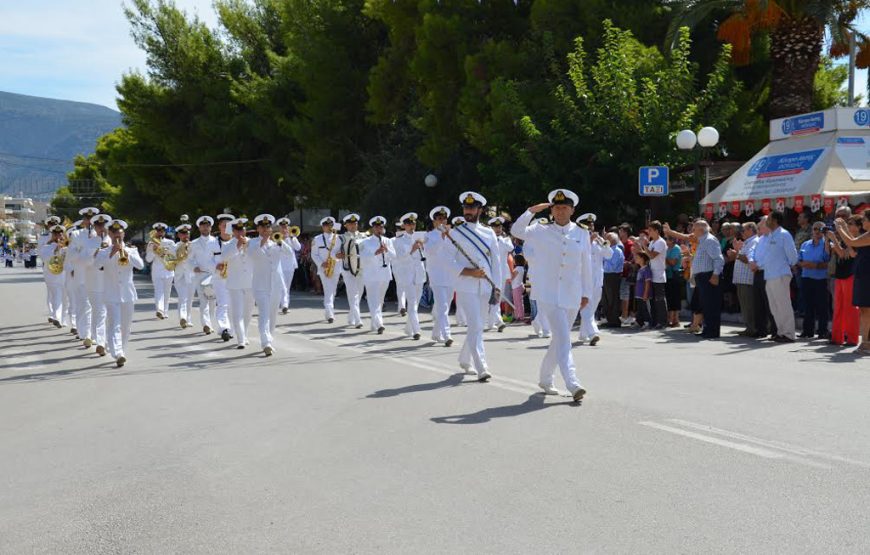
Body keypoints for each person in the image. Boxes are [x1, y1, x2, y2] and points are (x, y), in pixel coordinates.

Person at [511, 189, 591, 402]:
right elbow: (517, 230)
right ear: (551, 210)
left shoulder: (581, 233)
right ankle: (573, 383)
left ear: (572, 210)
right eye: (556, 207)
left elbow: (587, 265)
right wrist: (530, 212)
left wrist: (587, 292)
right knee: (564, 338)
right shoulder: (540, 229)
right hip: (548, 293)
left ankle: (545, 379)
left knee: (559, 340)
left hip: (572, 293)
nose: (560, 211)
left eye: (565, 207)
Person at [447, 191, 504, 382]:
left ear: (480, 210)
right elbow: (447, 262)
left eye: (472, 208)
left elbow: (496, 263)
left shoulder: (489, 233)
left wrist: (497, 286)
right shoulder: (455, 233)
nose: (468, 211)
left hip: (486, 286)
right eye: (465, 207)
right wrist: (469, 272)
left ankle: (464, 358)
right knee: (476, 324)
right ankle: (482, 367)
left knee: (476, 327)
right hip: (465, 286)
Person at [96, 219, 144, 368]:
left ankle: (121, 350)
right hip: (111, 293)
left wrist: (127, 252)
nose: (117, 234)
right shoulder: (103, 252)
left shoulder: (132, 250)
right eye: (114, 232)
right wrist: (112, 252)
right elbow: (97, 265)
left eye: (119, 232)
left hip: (128, 294)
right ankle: (117, 353)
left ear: (123, 233)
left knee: (126, 325)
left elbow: (141, 266)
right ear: (109, 234)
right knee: (115, 324)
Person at [248, 214, 291, 356]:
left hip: (276, 285)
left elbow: (290, 254)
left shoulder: (276, 243)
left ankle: (269, 339)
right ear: (258, 228)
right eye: (263, 227)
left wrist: (282, 240)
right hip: (260, 285)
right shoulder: (253, 243)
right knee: (264, 314)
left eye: (268, 227)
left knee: (273, 315)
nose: (266, 229)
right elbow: (252, 255)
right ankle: (265, 341)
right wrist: (264, 240)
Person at [754, 210, 798, 342]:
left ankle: (789, 334)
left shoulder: (784, 234)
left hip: (780, 274)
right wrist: (758, 265)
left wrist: (790, 263)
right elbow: (767, 256)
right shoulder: (771, 235)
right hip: (769, 274)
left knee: (783, 304)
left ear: (774, 221)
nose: (766, 222)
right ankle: (780, 332)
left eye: (769, 219)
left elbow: (792, 256)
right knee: (774, 306)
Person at [834, 211, 870, 355]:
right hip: (863, 274)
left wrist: (841, 228)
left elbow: (851, 242)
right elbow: (852, 244)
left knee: (866, 309)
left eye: (865, 220)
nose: (863, 222)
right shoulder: (866, 234)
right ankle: (866, 342)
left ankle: (867, 343)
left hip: (867, 276)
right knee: (863, 309)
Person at [424, 206, 457, 346]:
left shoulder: (453, 234)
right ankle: (447, 334)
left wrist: (448, 236)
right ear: (434, 222)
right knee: (443, 306)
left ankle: (436, 333)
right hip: (436, 275)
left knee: (444, 305)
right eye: (439, 219)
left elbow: (456, 252)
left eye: (444, 218)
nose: (442, 221)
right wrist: (442, 239)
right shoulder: (429, 236)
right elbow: (429, 252)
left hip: (450, 274)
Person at [577, 213, 611, 345]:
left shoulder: (598, 243)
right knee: (585, 307)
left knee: (591, 308)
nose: (591, 228)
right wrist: (589, 241)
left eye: (592, 226)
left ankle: (583, 334)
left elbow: (609, 255)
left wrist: (603, 243)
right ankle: (593, 333)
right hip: (584, 280)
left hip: (598, 280)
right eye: (588, 226)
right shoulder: (578, 240)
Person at [392, 212, 427, 339]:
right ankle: (416, 330)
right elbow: (400, 258)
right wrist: (412, 249)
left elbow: (428, 256)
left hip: (419, 273)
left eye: (413, 223)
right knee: (412, 303)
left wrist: (423, 247)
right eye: (408, 224)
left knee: (416, 303)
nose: (411, 226)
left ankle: (408, 328)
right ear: (403, 226)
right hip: (407, 274)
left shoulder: (422, 238)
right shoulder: (399, 240)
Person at [826, 218, 861, 346]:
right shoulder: (846, 239)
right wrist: (833, 238)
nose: (848, 226)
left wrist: (842, 232)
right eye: (848, 224)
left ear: (858, 227)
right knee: (838, 308)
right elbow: (841, 254)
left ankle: (852, 338)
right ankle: (837, 337)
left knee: (850, 309)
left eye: (851, 224)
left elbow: (851, 254)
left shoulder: (859, 240)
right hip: (840, 276)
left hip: (851, 276)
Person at [359, 216, 396, 334]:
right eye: (377, 227)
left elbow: (394, 256)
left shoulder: (388, 241)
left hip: (384, 274)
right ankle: (379, 323)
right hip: (371, 275)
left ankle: (374, 323)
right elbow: (363, 258)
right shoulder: (365, 242)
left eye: (381, 226)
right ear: (373, 228)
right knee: (373, 299)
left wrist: (387, 250)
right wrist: (375, 253)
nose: (379, 228)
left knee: (379, 300)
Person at [221, 218, 254, 349]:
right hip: (235, 284)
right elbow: (224, 258)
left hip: (250, 282)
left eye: (242, 229)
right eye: (237, 230)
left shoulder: (252, 242)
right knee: (237, 312)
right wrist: (238, 246)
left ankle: (244, 335)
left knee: (248, 312)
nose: (241, 232)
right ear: (233, 231)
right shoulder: (228, 244)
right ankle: (240, 339)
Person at [689, 219, 725, 339]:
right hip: (702, 276)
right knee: (706, 304)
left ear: (701, 229)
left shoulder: (709, 240)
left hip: (709, 276)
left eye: (694, 229)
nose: (692, 231)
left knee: (711, 305)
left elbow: (718, 259)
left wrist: (715, 275)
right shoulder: (702, 240)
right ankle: (707, 329)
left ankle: (712, 331)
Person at [797, 221, 831, 339]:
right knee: (807, 306)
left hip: (821, 279)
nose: (817, 231)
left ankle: (822, 331)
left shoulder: (827, 244)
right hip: (806, 278)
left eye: (820, 229)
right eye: (815, 229)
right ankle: (807, 331)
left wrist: (815, 265)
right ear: (812, 230)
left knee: (822, 307)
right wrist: (802, 264)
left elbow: (828, 263)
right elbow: (799, 260)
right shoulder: (805, 244)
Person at [84, 213, 112, 356]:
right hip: (94, 282)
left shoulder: (114, 241)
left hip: (110, 282)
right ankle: (101, 342)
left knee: (105, 314)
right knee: (100, 312)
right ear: (94, 226)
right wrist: (95, 253)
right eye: (99, 225)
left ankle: (97, 337)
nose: (102, 228)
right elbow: (85, 262)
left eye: (104, 225)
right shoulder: (89, 242)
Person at [190, 216, 220, 335]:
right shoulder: (194, 243)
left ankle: (210, 322)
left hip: (213, 275)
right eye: (203, 225)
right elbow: (189, 259)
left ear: (210, 227)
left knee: (212, 302)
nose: (205, 227)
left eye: (207, 225)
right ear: (199, 228)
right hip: (200, 275)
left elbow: (219, 258)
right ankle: (206, 324)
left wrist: (217, 267)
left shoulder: (216, 241)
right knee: (203, 301)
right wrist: (194, 266)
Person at [311, 217, 342, 323]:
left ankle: (328, 311)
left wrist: (338, 256)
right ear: (322, 227)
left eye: (330, 225)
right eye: (326, 225)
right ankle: (330, 314)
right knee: (328, 290)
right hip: (324, 268)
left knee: (333, 291)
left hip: (336, 267)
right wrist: (321, 263)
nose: (329, 227)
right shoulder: (317, 239)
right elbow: (314, 254)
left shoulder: (339, 238)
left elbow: (341, 252)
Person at [337, 213, 365, 329]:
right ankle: (358, 319)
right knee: (353, 294)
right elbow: (335, 252)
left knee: (360, 293)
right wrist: (338, 255)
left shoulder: (364, 236)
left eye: (355, 223)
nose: (353, 226)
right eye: (351, 224)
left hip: (361, 268)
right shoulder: (341, 238)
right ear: (346, 225)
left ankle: (351, 316)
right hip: (347, 268)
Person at [731, 222, 759, 337]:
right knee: (745, 305)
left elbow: (748, 259)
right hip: (742, 280)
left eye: (743, 230)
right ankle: (749, 327)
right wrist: (737, 251)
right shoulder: (747, 242)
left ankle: (753, 329)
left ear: (751, 230)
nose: (741, 232)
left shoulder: (754, 241)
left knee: (749, 305)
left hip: (748, 280)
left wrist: (736, 253)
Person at [639, 220, 668, 328]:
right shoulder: (652, 242)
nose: (649, 232)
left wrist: (644, 246)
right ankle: (655, 321)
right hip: (652, 273)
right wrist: (640, 248)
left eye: (650, 230)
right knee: (653, 300)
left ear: (656, 231)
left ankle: (662, 321)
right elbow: (647, 255)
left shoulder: (660, 242)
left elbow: (652, 256)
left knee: (659, 299)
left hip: (659, 274)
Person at [485, 216, 512, 332]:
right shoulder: (487, 239)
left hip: (502, 272)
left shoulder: (505, 239)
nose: (497, 229)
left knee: (497, 297)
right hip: (490, 272)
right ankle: (498, 321)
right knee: (490, 297)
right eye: (495, 227)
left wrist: (500, 240)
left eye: (499, 226)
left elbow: (510, 248)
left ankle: (492, 322)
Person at [145, 222, 176, 321]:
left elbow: (174, 257)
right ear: (155, 232)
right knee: (159, 291)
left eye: (161, 231)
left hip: (168, 270)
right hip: (157, 271)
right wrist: (153, 251)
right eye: (158, 231)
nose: (160, 233)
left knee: (167, 292)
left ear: (164, 232)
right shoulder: (151, 244)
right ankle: (160, 310)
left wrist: (166, 253)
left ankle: (165, 311)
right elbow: (148, 259)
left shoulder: (170, 243)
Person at [213, 213, 236, 340]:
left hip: (235, 277)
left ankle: (232, 329)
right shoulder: (213, 242)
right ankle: (224, 328)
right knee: (222, 304)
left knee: (233, 305)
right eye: (224, 225)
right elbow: (207, 260)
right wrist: (215, 266)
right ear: (219, 227)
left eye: (229, 226)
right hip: (219, 278)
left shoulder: (237, 241)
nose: (226, 228)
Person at [39, 224, 66, 328]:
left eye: (60, 233)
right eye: (56, 234)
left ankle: (62, 318)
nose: (58, 236)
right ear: (52, 235)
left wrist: (64, 248)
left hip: (64, 274)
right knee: (56, 295)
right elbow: (45, 258)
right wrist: (56, 250)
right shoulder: (46, 247)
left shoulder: (66, 246)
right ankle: (56, 317)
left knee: (64, 297)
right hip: (51, 274)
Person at [275, 216, 302, 315]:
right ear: (279, 228)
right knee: (282, 286)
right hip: (280, 265)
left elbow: (298, 248)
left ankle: (285, 305)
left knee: (287, 286)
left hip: (290, 265)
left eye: (286, 227)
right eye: (282, 227)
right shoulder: (277, 237)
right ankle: (284, 305)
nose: (284, 229)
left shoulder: (292, 238)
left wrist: (293, 238)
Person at [173, 222, 195, 329]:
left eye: (187, 233)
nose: (185, 235)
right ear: (179, 235)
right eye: (183, 233)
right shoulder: (175, 246)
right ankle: (183, 317)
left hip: (191, 275)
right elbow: (169, 260)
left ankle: (188, 318)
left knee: (190, 298)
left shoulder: (194, 245)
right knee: (183, 297)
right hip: (179, 275)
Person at [600, 232, 624, 328]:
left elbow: (611, 266)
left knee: (613, 298)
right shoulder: (608, 250)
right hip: (606, 275)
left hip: (613, 276)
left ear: (613, 240)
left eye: (607, 238)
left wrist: (604, 259)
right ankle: (609, 319)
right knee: (606, 299)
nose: (605, 240)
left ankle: (614, 320)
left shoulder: (617, 251)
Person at [664, 234, 683, 327]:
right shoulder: (667, 249)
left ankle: (675, 320)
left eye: (666, 239)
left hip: (675, 276)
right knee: (669, 298)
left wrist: (663, 257)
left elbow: (673, 262)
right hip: (668, 276)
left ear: (671, 240)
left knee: (675, 298)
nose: (665, 240)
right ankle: (670, 319)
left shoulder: (676, 248)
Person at [633, 252, 652, 329]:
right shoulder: (640, 269)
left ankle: (647, 322)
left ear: (642, 259)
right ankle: (639, 322)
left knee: (645, 309)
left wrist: (645, 293)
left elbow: (647, 282)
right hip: (638, 293)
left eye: (637, 257)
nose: (635, 259)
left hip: (643, 294)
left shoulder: (646, 269)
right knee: (640, 309)